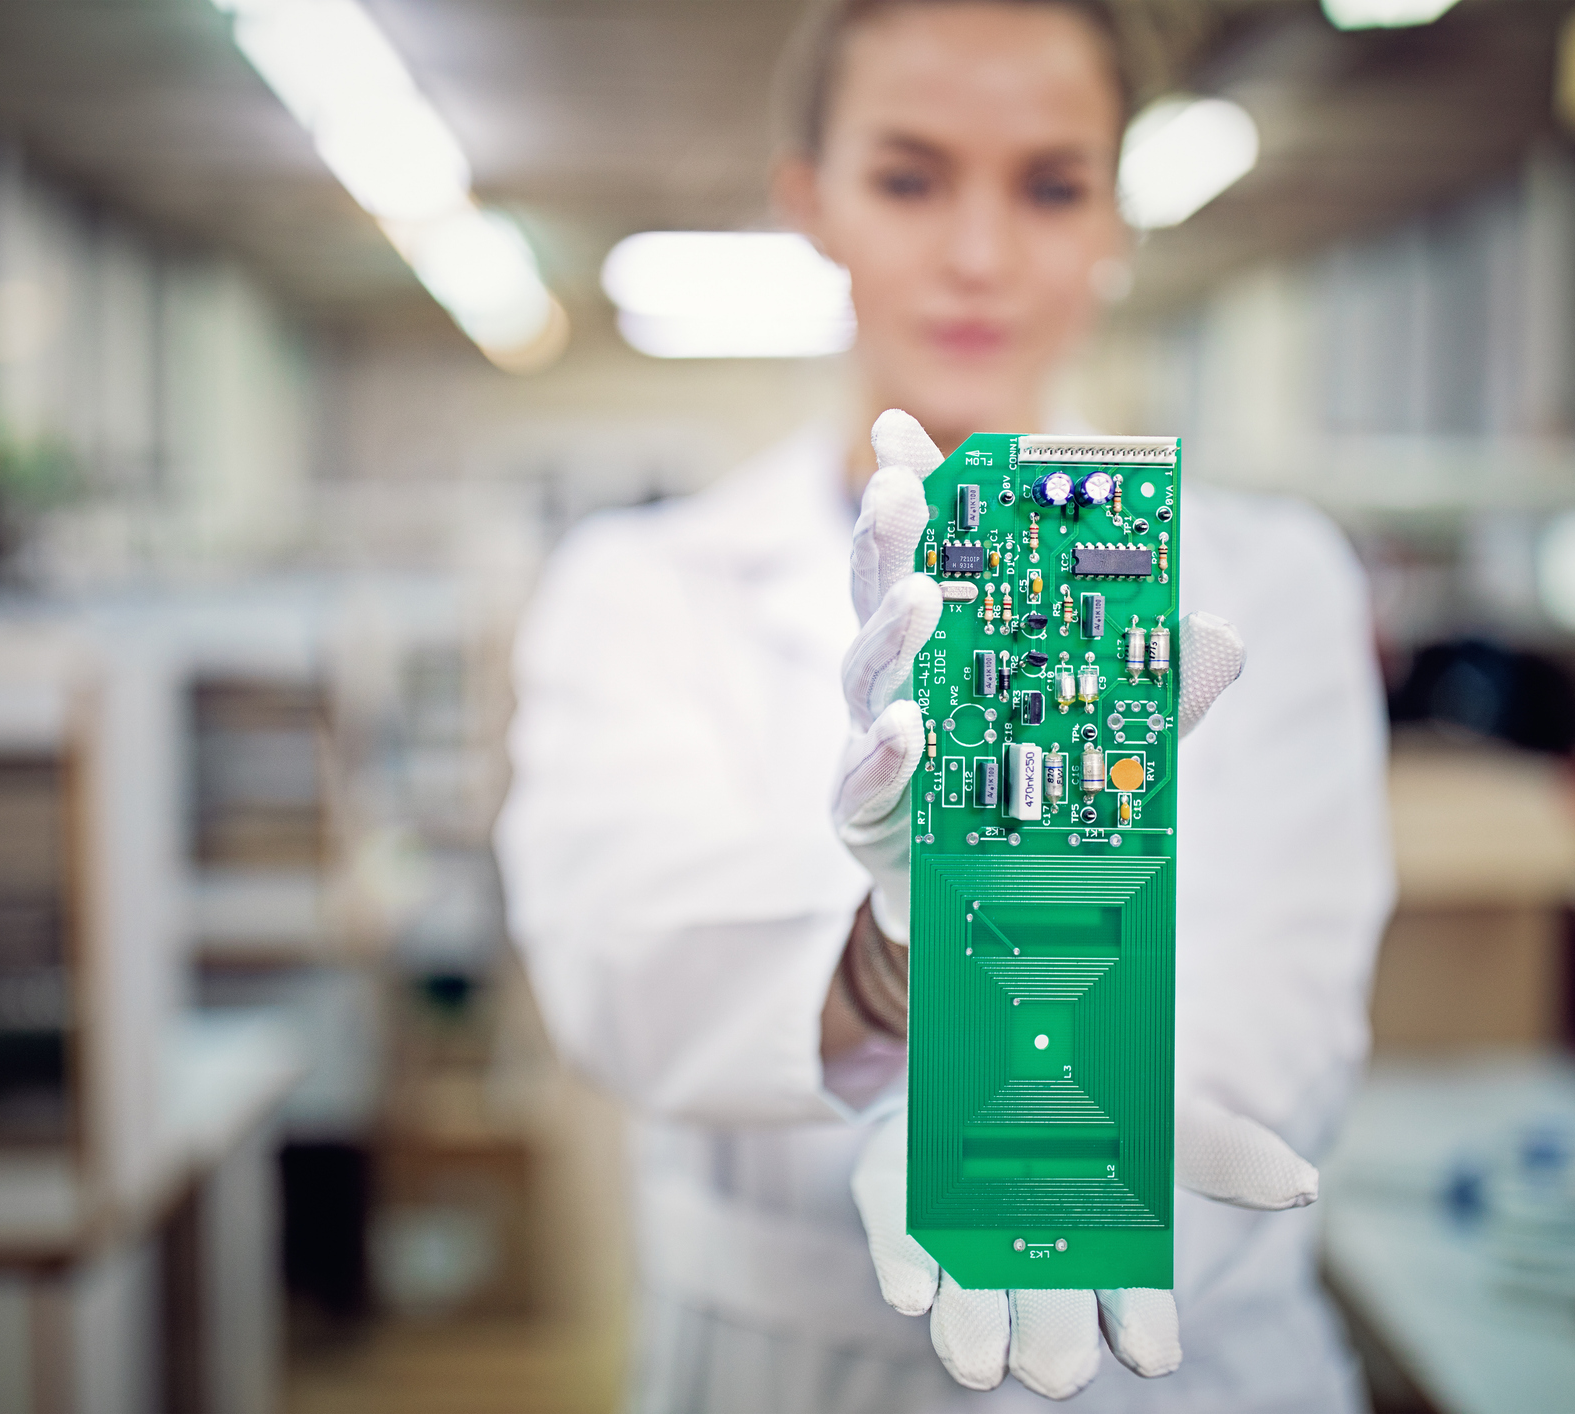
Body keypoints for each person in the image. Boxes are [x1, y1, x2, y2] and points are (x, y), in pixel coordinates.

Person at [495, 1, 1394, 1409]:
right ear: (812, 205)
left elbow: (1281, 1004)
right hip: (785, 1364)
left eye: (1049, 184)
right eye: (910, 178)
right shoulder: (643, 586)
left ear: (1115, 218)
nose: (978, 254)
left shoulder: (1269, 581)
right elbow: (615, 958)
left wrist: (1056, 1147)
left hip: (1192, 1364)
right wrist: (890, 965)